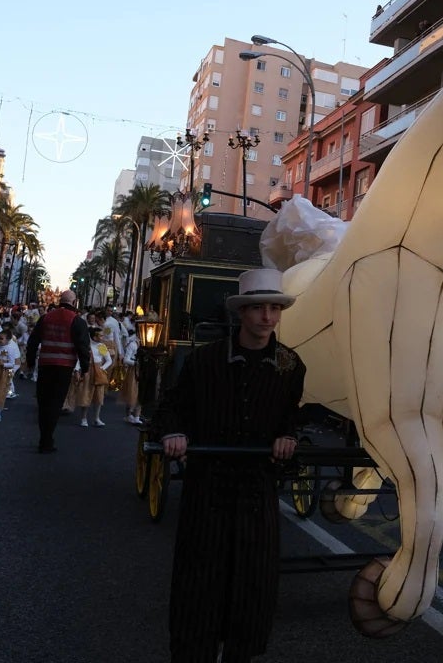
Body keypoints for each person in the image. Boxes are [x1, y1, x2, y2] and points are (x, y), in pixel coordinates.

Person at [154, 269, 305, 662]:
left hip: (257, 495)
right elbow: (172, 406)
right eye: (258, 308)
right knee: (198, 588)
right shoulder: (203, 361)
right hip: (207, 493)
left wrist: (289, 435)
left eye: (274, 308)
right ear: (242, 313)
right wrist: (174, 433)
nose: (267, 317)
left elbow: (293, 415)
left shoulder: (292, 366)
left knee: (253, 589)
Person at [26, 290, 92, 454]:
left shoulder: (46, 317)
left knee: (44, 402)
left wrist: (30, 362)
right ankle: (47, 439)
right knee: (55, 403)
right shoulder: (77, 321)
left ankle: (44, 437)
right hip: (64, 367)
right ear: (74, 302)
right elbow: (83, 347)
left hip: (45, 364)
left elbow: (33, 341)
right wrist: (85, 368)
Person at [79, 326, 112, 428]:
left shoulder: (101, 346)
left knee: (99, 396)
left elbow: (108, 360)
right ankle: (84, 418)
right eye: (100, 335)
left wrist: (102, 368)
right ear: (94, 336)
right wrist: (77, 370)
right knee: (86, 394)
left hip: (98, 371)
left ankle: (97, 418)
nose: (102, 337)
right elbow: (80, 359)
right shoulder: (88, 345)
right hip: (88, 371)